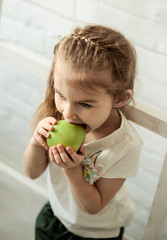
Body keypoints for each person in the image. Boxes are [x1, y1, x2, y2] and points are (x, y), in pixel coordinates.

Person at [23, 24, 143, 240]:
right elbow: (31, 172)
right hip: (56, 215)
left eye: (85, 104)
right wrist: (35, 141)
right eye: (60, 94)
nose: (68, 114)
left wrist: (71, 170)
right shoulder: (58, 117)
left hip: (95, 233)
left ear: (119, 99)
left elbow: (93, 207)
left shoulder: (125, 145)